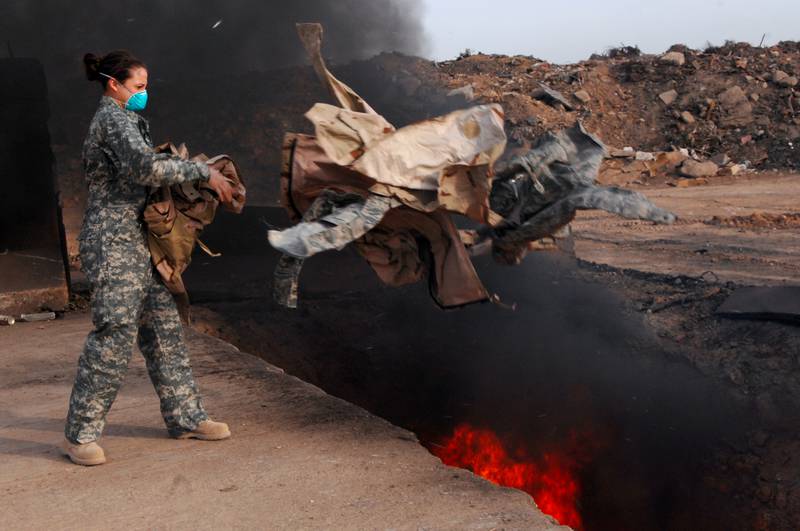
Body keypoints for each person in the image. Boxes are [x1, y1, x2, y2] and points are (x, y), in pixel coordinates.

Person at [63, 50, 233, 466]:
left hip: (140, 240)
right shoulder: (112, 119)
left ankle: (185, 417)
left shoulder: (129, 118)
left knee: (163, 330)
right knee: (114, 336)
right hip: (113, 240)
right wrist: (201, 172)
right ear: (113, 84)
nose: (144, 93)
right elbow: (144, 167)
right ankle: (80, 435)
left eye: (146, 86)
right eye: (138, 86)